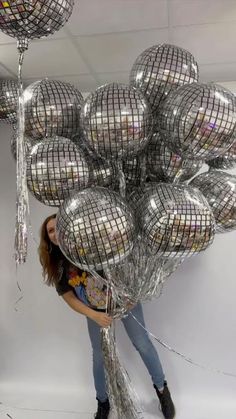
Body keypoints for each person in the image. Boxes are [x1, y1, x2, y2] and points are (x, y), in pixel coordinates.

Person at [38, 213, 176, 419]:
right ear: (47, 238)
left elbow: (125, 262)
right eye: (50, 231)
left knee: (143, 344)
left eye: (59, 227)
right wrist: (94, 315)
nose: (56, 233)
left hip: (125, 300)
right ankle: (103, 402)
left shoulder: (92, 245)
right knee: (99, 358)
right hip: (95, 311)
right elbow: (69, 298)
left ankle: (162, 391)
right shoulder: (59, 265)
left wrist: (132, 295)